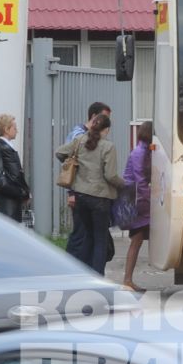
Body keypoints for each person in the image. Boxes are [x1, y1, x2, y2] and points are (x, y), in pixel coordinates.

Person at [56, 111, 124, 271]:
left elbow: (59, 152)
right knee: (100, 239)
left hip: (81, 197)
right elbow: (110, 175)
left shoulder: (79, 140)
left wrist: (72, 162)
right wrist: (123, 185)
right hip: (100, 199)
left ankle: (83, 273)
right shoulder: (108, 146)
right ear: (106, 130)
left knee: (88, 236)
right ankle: (98, 277)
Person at [115, 121, 153, 291]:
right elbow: (140, 180)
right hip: (135, 199)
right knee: (137, 239)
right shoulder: (140, 153)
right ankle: (127, 280)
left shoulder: (146, 150)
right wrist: (151, 199)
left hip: (138, 198)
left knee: (138, 239)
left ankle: (128, 279)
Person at [64, 100, 109, 211]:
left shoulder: (96, 136)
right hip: (80, 193)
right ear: (94, 116)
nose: (107, 122)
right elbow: (70, 164)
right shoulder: (78, 136)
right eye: (104, 117)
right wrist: (71, 193)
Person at [0, 113, 30, 222]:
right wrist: (25, 193)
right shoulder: (6, 149)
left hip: (3, 199)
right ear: (6, 129)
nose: (17, 131)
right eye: (14, 128)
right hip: (9, 202)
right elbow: (16, 176)